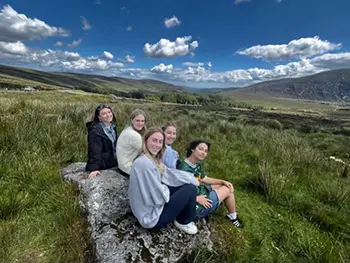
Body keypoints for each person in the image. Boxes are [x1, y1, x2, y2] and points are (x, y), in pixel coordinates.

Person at [128, 127, 199, 234]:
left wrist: (189, 178)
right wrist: (169, 191)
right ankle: (183, 221)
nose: (157, 145)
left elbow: (168, 173)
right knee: (190, 190)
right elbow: (157, 196)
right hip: (151, 218)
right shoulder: (144, 164)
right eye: (154, 140)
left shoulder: (150, 158)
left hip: (148, 206)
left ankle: (185, 211)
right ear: (146, 140)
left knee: (183, 184)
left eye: (160, 142)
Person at [177, 140, 243, 228]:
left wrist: (222, 181)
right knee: (228, 190)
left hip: (199, 192)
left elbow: (205, 179)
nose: (203, 152)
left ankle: (225, 205)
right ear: (192, 149)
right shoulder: (184, 169)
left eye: (206, 151)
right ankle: (233, 217)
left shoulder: (196, 163)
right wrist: (196, 198)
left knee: (224, 185)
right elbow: (180, 191)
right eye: (201, 149)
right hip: (195, 207)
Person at [85, 104, 118, 178]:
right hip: (103, 164)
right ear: (99, 117)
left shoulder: (113, 127)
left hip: (113, 162)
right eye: (104, 114)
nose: (108, 115)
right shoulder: (95, 131)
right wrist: (94, 168)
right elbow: (94, 150)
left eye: (109, 112)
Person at [116, 109, 146, 176]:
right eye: (137, 121)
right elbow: (147, 151)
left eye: (142, 121)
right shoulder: (133, 135)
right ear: (132, 120)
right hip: (127, 168)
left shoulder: (128, 129)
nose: (140, 123)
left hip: (122, 165)